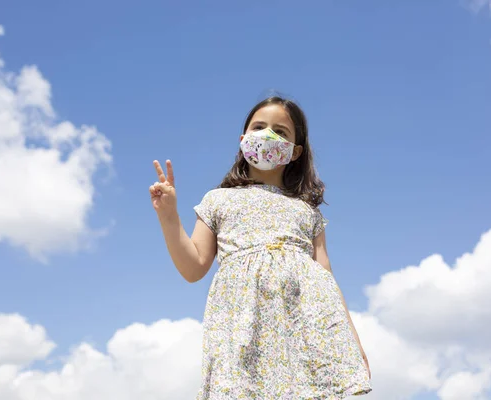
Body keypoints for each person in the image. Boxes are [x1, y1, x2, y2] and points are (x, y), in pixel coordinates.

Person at [150, 96, 372, 399]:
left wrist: (351, 338)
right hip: (241, 323)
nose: (268, 135)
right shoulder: (218, 199)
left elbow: (326, 277)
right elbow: (193, 267)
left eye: (281, 132)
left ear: (295, 152)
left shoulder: (307, 211)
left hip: (303, 325)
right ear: (243, 140)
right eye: (259, 127)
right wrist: (168, 216)